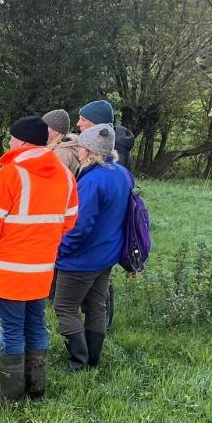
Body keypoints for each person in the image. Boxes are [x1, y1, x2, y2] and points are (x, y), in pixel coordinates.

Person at [0, 117, 77, 408]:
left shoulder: (9, 174)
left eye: (11, 138)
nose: (9, 143)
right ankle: (36, 388)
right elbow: (69, 220)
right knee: (35, 324)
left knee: (11, 329)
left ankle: (10, 396)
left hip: (7, 270)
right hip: (42, 267)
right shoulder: (65, 174)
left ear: (21, 141)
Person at [53, 124, 133, 371]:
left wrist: (60, 250)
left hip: (81, 258)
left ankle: (79, 361)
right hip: (107, 254)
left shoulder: (92, 181)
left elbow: (78, 227)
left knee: (64, 307)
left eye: (80, 146)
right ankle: (93, 358)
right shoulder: (122, 173)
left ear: (90, 150)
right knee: (96, 305)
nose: (77, 150)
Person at [76, 98, 137, 330]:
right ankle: (97, 325)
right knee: (99, 281)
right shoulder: (103, 140)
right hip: (105, 222)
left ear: (95, 123)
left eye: (83, 119)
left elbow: (109, 186)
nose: (79, 123)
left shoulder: (111, 147)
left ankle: (101, 324)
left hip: (103, 222)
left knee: (99, 285)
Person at [76, 99, 135, 171]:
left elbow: (109, 179)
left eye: (83, 120)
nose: (78, 123)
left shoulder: (116, 147)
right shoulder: (98, 142)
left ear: (98, 124)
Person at [43, 109, 81, 176]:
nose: (41, 129)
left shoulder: (62, 153)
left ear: (56, 131)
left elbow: (54, 180)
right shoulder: (59, 148)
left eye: (45, 126)